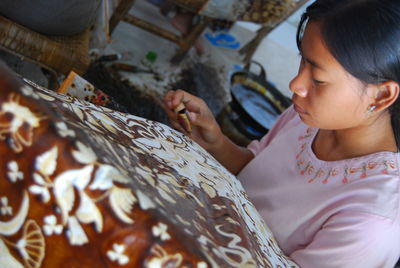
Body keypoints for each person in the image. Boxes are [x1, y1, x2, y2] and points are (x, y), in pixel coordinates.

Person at [164, 0, 400, 267]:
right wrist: (216, 142)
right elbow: (255, 177)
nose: (295, 85)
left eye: (318, 79)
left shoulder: (371, 223)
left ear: (381, 95)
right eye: (303, 62)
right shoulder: (311, 117)